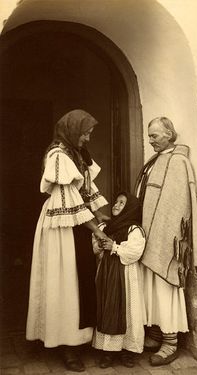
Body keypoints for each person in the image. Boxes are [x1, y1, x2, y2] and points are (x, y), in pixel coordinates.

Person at [26, 109, 109, 372]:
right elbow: (70, 201)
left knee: (79, 280)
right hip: (62, 226)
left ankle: (79, 338)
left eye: (89, 134)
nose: (87, 138)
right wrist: (98, 230)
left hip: (78, 223)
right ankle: (66, 345)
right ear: (73, 131)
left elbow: (86, 190)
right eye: (85, 133)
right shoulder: (59, 156)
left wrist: (104, 215)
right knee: (64, 283)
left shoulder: (76, 154)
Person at [135, 116, 197, 366]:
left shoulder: (179, 161)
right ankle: (153, 335)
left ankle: (170, 342)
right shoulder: (155, 160)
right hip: (149, 234)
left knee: (165, 288)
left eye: (154, 135)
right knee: (150, 287)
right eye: (149, 135)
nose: (150, 140)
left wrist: (168, 237)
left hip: (168, 238)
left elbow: (179, 205)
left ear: (169, 134)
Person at [92, 192, 146, 368]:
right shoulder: (105, 227)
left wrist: (113, 247)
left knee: (128, 310)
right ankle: (108, 351)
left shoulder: (134, 229)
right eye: (116, 202)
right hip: (107, 275)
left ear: (130, 209)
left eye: (122, 203)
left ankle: (127, 351)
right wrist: (100, 245)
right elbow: (94, 248)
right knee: (109, 307)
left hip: (126, 276)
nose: (116, 205)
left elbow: (135, 253)